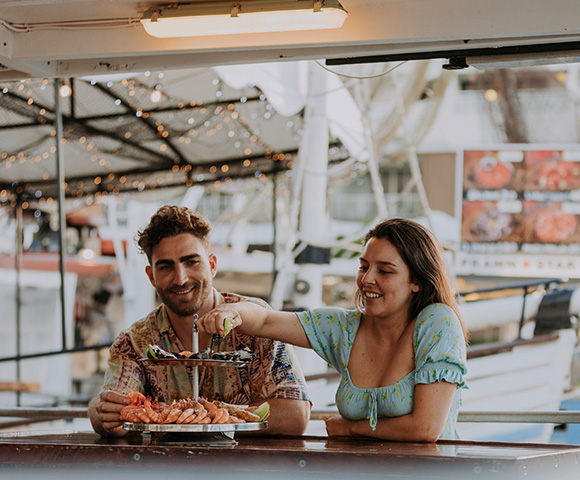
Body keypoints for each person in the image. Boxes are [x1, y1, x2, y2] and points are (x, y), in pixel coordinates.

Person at [199, 217, 469, 442]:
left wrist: (351, 428)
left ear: (417, 281)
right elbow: (266, 321)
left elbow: (425, 428)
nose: (367, 279)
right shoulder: (344, 328)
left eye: (384, 271)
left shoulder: (437, 321)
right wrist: (233, 310)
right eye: (364, 267)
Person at [88, 205, 311, 437]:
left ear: (212, 265)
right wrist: (102, 412)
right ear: (151, 276)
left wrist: (206, 416)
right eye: (165, 267)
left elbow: (294, 415)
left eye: (191, 262)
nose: (181, 278)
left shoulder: (254, 319)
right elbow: (111, 405)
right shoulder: (135, 340)